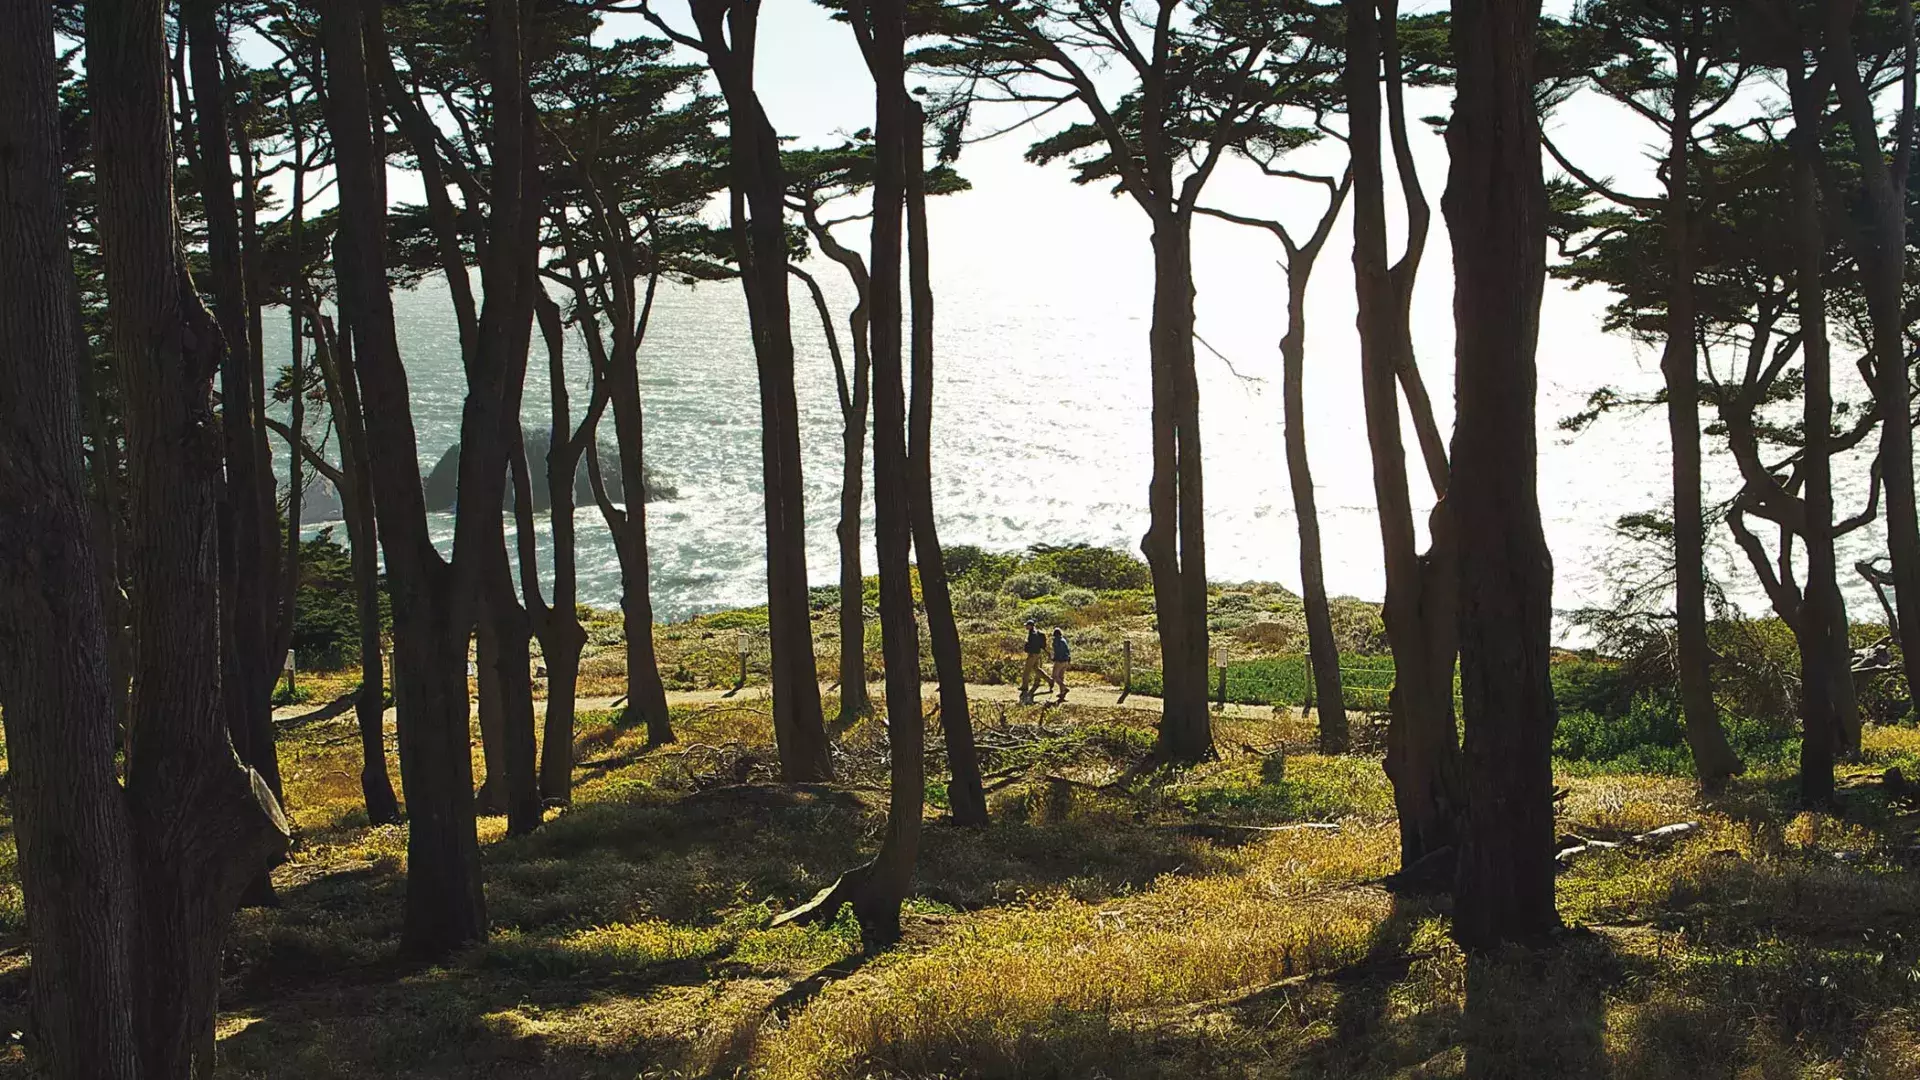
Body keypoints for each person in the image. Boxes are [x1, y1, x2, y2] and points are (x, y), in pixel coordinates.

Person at [1019, 619, 1053, 704]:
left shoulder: (1032, 634)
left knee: (1027, 671)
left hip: (1033, 654)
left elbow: (1032, 644)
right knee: (1036, 669)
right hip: (1037, 654)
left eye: (1027, 625)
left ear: (1030, 626)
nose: (1026, 626)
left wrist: (1030, 652)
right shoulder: (1036, 633)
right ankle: (1049, 680)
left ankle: (1024, 687)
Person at [1050, 627, 1071, 702]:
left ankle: (1064, 688)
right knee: (1061, 677)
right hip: (1066, 660)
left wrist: (1054, 658)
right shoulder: (1064, 640)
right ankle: (1062, 693)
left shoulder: (1056, 641)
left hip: (1059, 661)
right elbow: (1067, 650)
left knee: (1054, 676)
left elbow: (1057, 651)